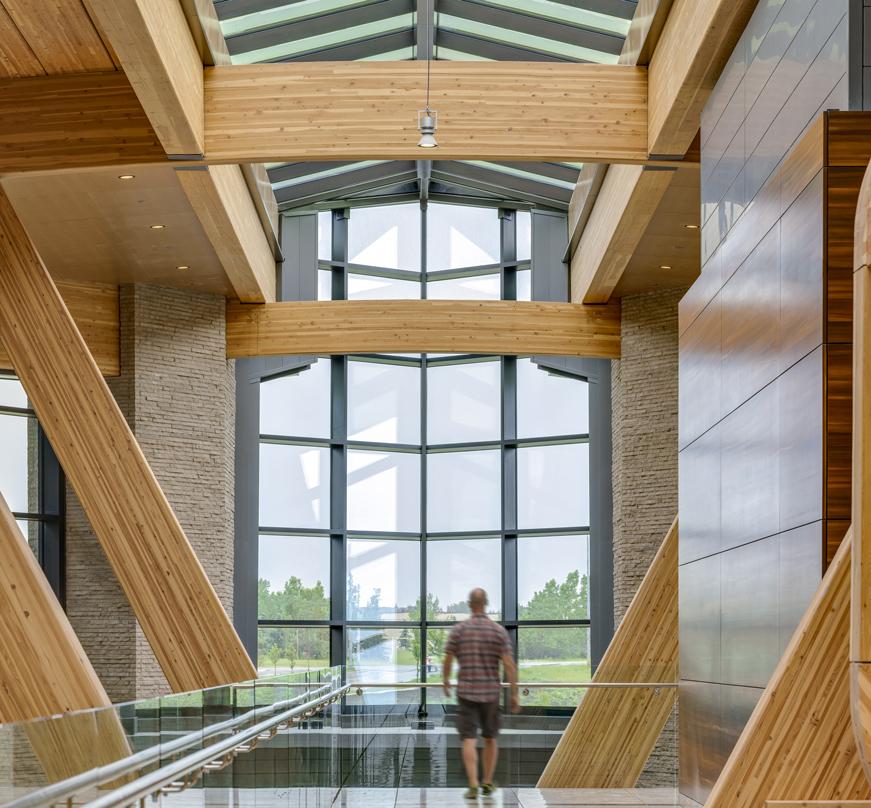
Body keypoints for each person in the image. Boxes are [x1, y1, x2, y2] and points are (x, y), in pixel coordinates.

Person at [442, 588, 519, 800]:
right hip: (491, 694)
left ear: (469, 604)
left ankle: (473, 785)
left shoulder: (459, 630)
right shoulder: (497, 631)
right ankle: (487, 782)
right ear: (486, 603)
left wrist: (446, 680)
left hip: (466, 692)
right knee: (490, 737)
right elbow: (509, 665)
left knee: (468, 738)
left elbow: (447, 659)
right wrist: (514, 693)